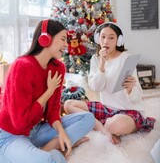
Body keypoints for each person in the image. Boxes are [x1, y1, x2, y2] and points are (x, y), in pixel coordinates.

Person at [0, 19, 95, 163]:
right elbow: (20, 123)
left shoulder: (58, 67)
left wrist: (61, 133)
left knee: (88, 119)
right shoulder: (23, 66)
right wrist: (48, 91)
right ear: (45, 39)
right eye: (63, 39)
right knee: (47, 160)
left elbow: (53, 111)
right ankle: (56, 151)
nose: (66, 45)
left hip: (36, 130)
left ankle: (58, 143)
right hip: (11, 135)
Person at [64, 22, 156, 144]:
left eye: (111, 37)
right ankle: (103, 129)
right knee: (68, 104)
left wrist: (130, 89)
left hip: (127, 112)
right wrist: (102, 65)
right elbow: (96, 87)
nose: (106, 41)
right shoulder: (96, 59)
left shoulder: (126, 59)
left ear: (119, 40)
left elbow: (137, 98)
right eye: (103, 37)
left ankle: (101, 125)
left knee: (114, 125)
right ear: (98, 38)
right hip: (106, 109)